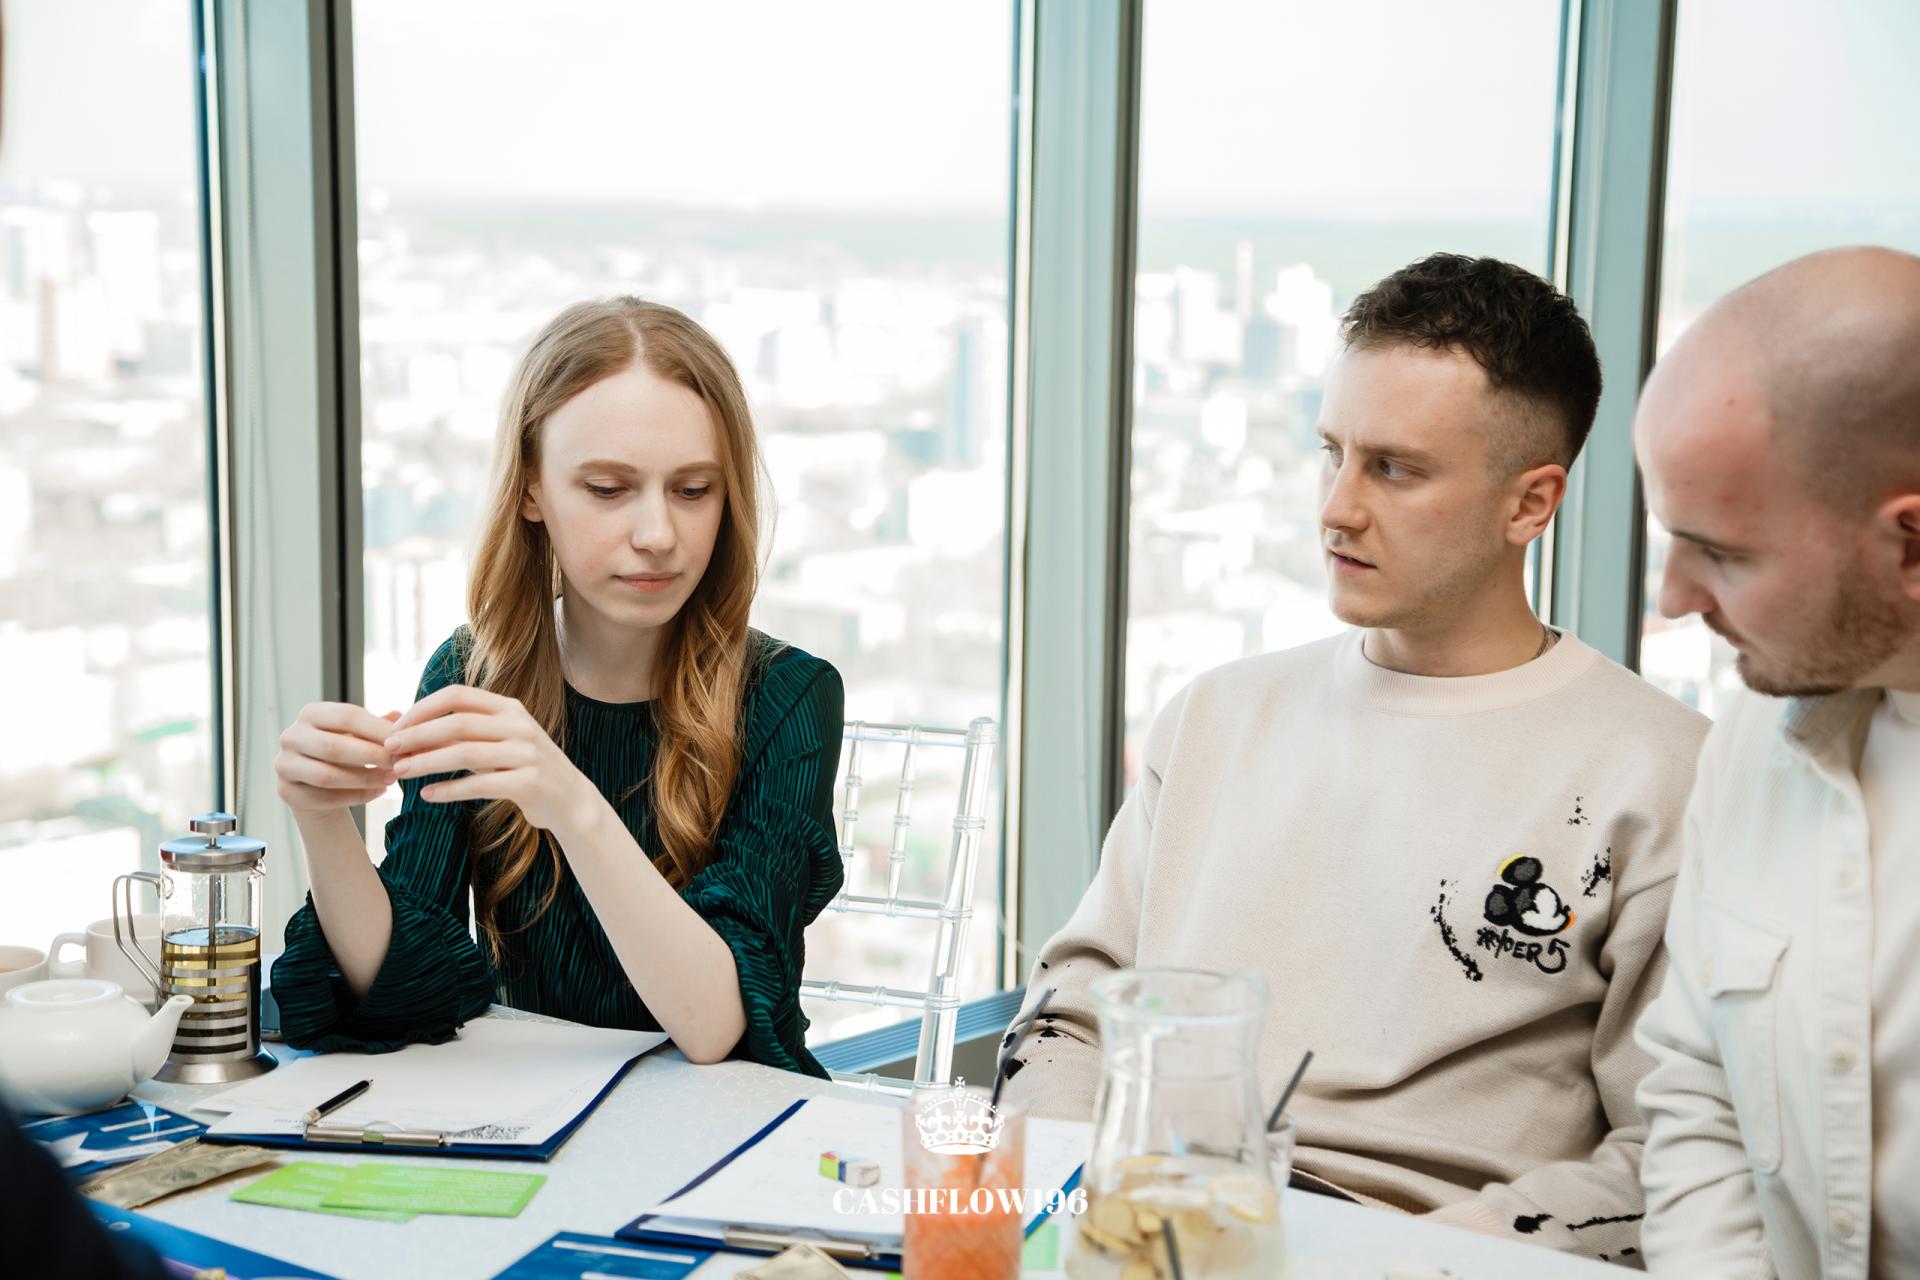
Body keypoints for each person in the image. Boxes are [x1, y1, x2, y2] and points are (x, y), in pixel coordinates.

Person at [1000, 253, 1708, 1263]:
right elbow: (1069, 1017)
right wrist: (1085, 1197)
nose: (1336, 508)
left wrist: (1388, 1261)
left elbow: (1676, 1151)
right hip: (1151, 1228)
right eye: (1331, 452)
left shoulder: (1665, 773)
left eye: (1395, 468)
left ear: (1530, 504)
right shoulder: (1214, 716)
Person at [270, 298, 846, 1076]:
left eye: (693, 490)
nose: (657, 535)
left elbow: (714, 1026)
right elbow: (403, 985)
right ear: (531, 489)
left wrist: (573, 806)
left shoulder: (789, 698)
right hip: (534, 1116)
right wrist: (321, 819)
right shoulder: (472, 674)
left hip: (728, 1127)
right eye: (608, 489)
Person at [1632, 246, 1920, 1277]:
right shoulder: (1752, 737)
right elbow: (1698, 1083)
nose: (1673, 597)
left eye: (1724, 552)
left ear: (1912, 547)